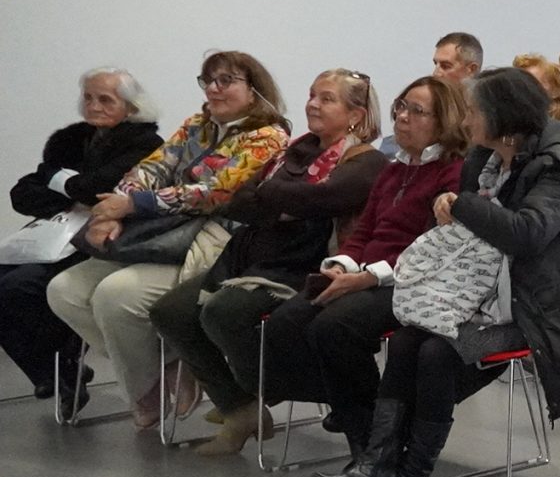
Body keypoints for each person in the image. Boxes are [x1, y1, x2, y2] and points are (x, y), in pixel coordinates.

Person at [311, 67, 560, 477]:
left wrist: (463, 205)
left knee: (438, 352)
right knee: (408, 340)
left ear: (501, 118)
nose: (465, 120)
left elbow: (528, 234)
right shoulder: (485, 158)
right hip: (481, 294)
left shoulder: (559, 165)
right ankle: (377, 464)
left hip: (540, 307)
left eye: (473, 111)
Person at [48, 50, 292, 427]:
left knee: (115, 295)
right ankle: (170, 365)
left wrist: (133, 204)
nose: (213, 88)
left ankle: (144, 391)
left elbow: (216, 192)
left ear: (254, 89)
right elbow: (150, 168)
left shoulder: (269, 136)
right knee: (62, 290)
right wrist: (114, 210)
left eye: (226, 81)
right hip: (159, 234)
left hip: (210, 242)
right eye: (208, 80)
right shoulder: (197, 125)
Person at [153, 70, 388, 455]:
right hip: (249, 257)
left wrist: (272, 195)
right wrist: (281, 200)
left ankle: (320, 394)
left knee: (223, 313)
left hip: (305, 265)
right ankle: (240, 409)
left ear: (355, 115)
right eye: (311, 95)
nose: (313, 104)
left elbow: (323, 200)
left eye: (327, 98)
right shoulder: (293, 152)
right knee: (171, 312)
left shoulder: (367, 161)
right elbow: (237, 201)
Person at [258, 77, 467, 455]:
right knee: (287, 322)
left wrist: (369, 277)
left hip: (411, 281)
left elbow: (433, 248)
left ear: (443, 122)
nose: (402, 117)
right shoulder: (393, 170)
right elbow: (365, 230)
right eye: (401, 107)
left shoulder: (451, 172)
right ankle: (357, 416)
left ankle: (370, 443)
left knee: (333, 328)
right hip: (366, 272)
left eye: (417, 111)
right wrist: (342, 265)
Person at [3, 68, 161, 413]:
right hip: (56, 235)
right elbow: (22, 193)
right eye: (88, 98)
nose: (94, 106)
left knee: (19, 287)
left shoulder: (146, 144)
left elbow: (95, 190)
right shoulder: (71, 139)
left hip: (105, 241)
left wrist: (59, 181)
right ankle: (52, 371)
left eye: (105, 99)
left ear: (131, 106)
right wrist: (70, 192)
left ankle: (64, 362)